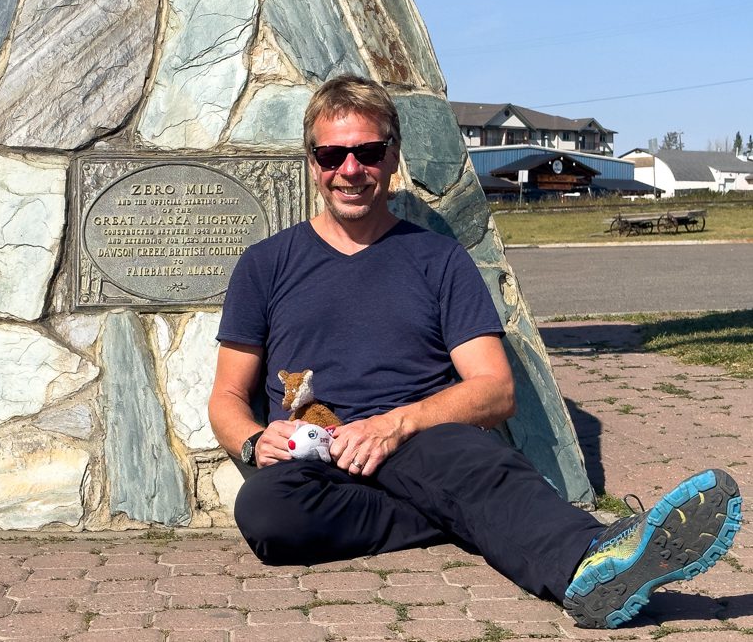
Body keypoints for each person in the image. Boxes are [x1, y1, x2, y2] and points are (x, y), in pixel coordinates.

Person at [208, 75, 742, 629]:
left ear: (392, 157)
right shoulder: (265, 264)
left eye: (367, 152)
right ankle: (470, 519)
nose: (350, 169)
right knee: (268, 515)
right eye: (332, 154)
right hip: (316, 456)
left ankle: (596, 563)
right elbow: (226, 394)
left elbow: (494, 388)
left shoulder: (439, 260)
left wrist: (396, 425)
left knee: (471, 467)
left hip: (421, 441)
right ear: (312, 160)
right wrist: (250, 441)